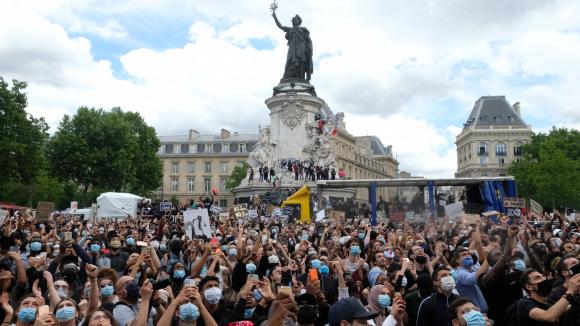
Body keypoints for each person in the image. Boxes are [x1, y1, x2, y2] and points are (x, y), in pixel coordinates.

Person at [516, 269, 580, 325]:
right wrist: (570, 291)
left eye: (543, 276)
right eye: (537, 278)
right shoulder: (524, 304)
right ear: (529, 287)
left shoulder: (548, 303)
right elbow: (549, 316)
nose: (544, 279)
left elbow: (569, 307)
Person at [272, 10, 313, 81]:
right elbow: (281, 26)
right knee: (289, 60)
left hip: (301, 47)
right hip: (292, 47)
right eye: (294, 20)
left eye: (297, 20)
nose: (295, 20)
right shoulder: (290, 29)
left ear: (299, 21)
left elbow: (308, 40)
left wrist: (310, 48)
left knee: (301, 61)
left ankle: (301, 78)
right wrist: (275, 17)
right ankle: (288, 76)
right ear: (293, 21)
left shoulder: (303, 30)